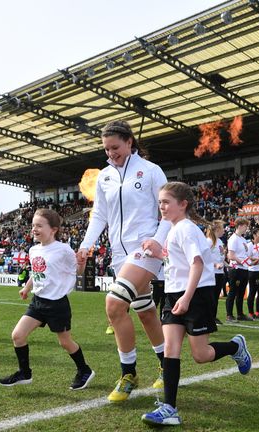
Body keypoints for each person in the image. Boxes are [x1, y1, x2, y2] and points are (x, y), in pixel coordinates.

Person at [141, 182, 251, 426]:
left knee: (201, 355)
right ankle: (170, 409)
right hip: (173, 294)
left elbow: (197, 264)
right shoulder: (173, 229)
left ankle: (235, 347)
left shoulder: (186, 229)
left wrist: (187, 297)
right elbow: (177, 260)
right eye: (160, 202)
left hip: (196, 294)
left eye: (166, 202)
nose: (161, 206)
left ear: (183, 204)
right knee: (170, 349)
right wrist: (157, 254)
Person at [76, 120, 170, 402]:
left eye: (115, 147)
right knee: (145, 312)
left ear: (130, 142)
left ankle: (128, 374)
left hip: (145, 250)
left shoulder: (152, 172)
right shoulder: (104, 176)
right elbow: (100, 216)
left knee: (115, 305)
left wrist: (157, 239)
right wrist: (85, 245)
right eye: (106, 149)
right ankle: (168, 366)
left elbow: (167, 211)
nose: (111, 154)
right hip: (119, 254)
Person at [0, 209, 95, 390]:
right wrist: (26, 288)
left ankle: (84, 370)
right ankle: (24, 373)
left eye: (39, 225)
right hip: (38, 301)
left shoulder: (63, 249)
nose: (34, 229)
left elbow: (77, 271)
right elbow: (36, 273)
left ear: (53, 229)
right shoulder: (33, 250)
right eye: (33, 225)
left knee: (65, 342)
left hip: (57, 303)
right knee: (18, 335)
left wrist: (81, 264)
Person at [226, 218, 251, 322]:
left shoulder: (243, 239)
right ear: (240, 226)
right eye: (245, 226)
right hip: (236, 269)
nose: (246, 228)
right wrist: (242, 261)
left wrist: (249, 261)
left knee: (241, 293)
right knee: (233, 292)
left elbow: (244, 255)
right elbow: (231, 255)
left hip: (243, 268)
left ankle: (240, 314)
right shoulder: (233, 239)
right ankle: (229, 315)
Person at [205, 220, 227, 324]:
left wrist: (226, 263)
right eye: (222, 228)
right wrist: (215, 265)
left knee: (216, 297)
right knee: (211, 297)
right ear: (217, 229)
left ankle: (213, 316)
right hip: (211, 273)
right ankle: (208, 317)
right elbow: (204, 257)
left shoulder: (219, 241)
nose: (224, 230)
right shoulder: (209, 241)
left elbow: (220, 256)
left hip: (219, 273)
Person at [246, 229, 259, 320]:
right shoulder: (250, 245)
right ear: (254, 235)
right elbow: (247, 257)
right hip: (253, 271)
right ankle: (251, 313)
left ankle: (258, 312)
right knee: (252, 292)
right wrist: (257, 259)